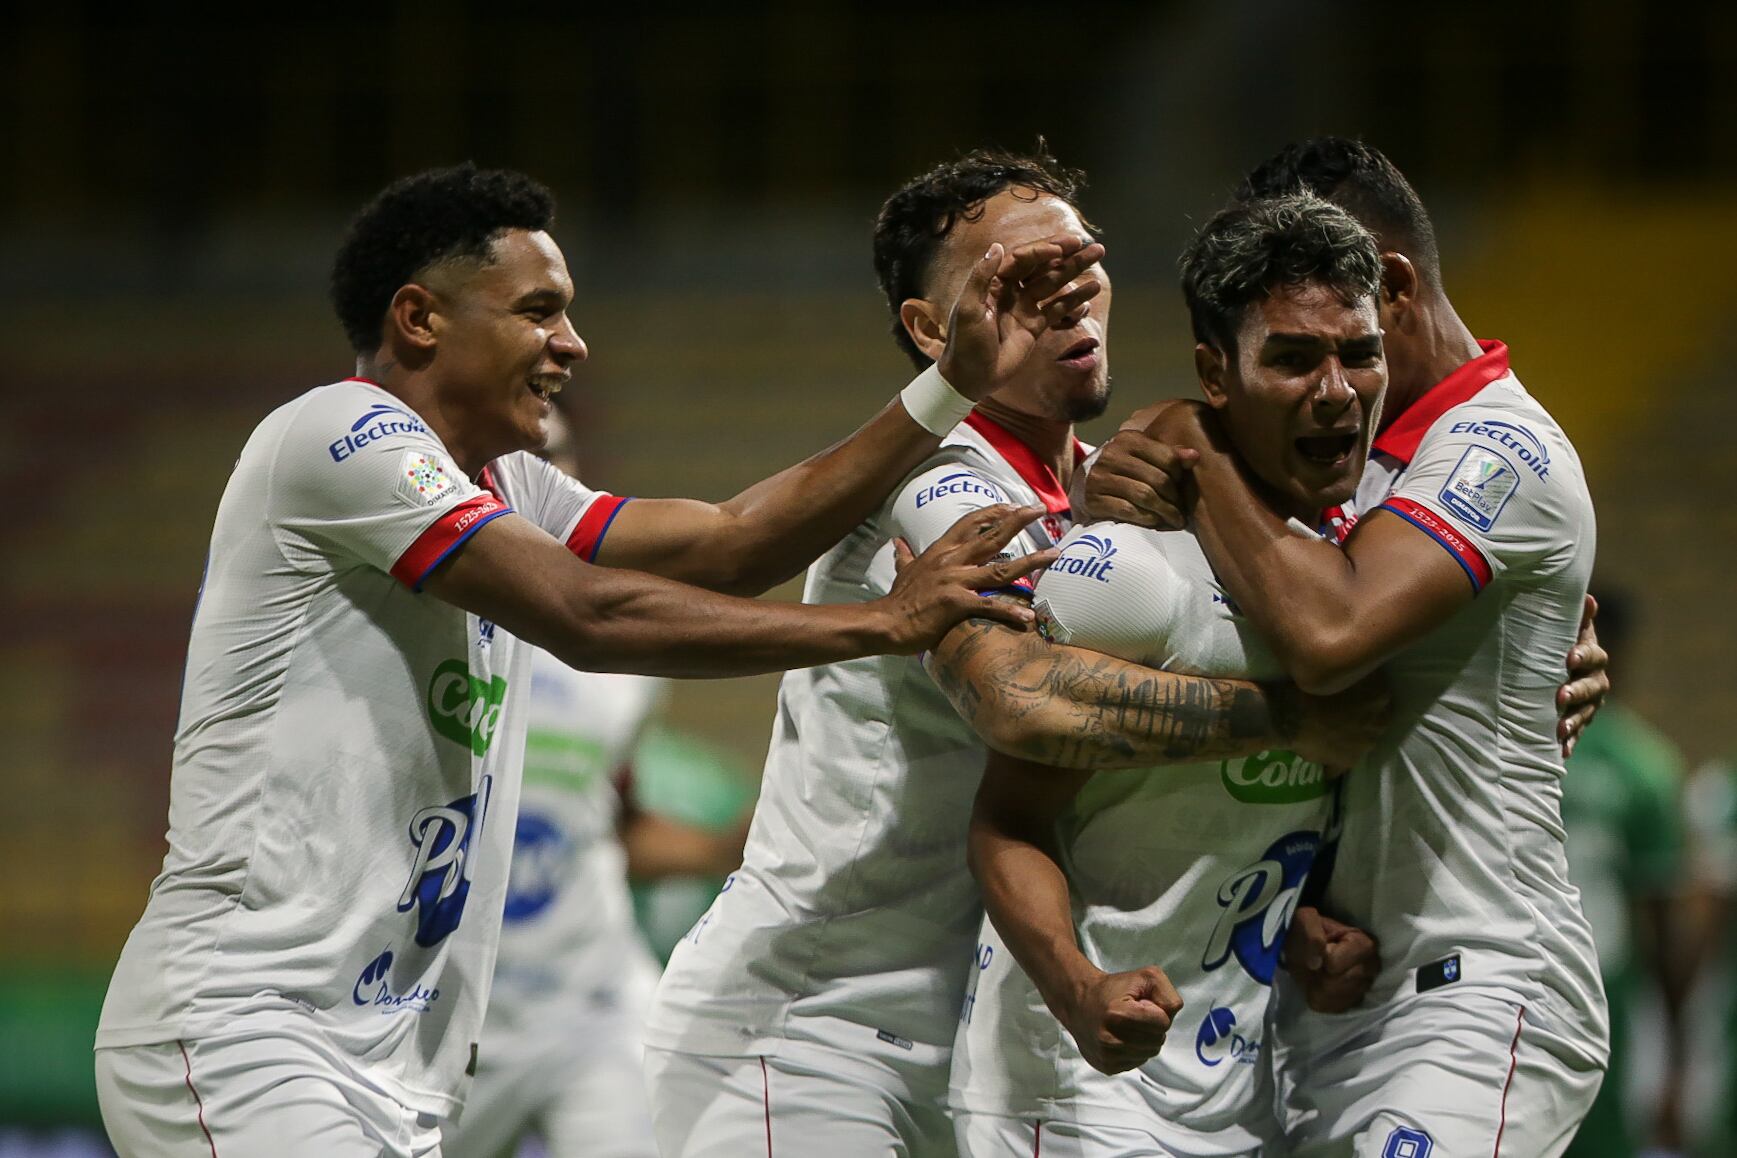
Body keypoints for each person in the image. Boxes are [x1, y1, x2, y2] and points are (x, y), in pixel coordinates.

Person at [90, 163, 1093, 1157]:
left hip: (387, 1056)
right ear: (419, 318)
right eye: (538, 311)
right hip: (243, 1023)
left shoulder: (513, 486)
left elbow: (732, 542)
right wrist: (880, 622)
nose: (571, 342)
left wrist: (948, 388)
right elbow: (587, 615)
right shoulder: (338, 434)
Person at [640, 150, 1386, 1158]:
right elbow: (1021, 705)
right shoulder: (938, 478)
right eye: (1024, 281)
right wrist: (1291, 716)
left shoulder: (1106, 501)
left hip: (978, 1042)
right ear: (929, 330)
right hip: (805, 1030)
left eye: (1082, 262)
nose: (1072, 291)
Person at [1138, 137, 1609, 1156]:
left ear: (1381, 285)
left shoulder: (1497, 449)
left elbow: (1330, 638)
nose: (1325, 383)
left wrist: (1187, 436)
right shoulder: (1338, 469)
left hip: (1475, 991)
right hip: (1324, 1007)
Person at [952, 192, 1392, 1158]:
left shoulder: (1366, 564)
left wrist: (1300, 925)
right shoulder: (1134, 572)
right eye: (1290, 359)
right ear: (1214, 376)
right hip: (1075, 1085)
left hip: (1242, 1080)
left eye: (1358, 354)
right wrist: (1075, 987)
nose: (1336, 391)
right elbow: (1006, 821)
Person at [444, 409, 745, 1158]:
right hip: (444, 1011)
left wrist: (731, 848)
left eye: (550, 462)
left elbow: (614, 825)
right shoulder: (418, 630)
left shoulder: (614, 669)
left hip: (589, 1006)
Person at [1557, 589, 1691, 1158]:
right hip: (1503, 981)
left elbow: (1663, 924)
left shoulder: (1644, 768)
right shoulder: (1509, 747)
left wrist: (1677, 1056)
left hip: (1601, 999)